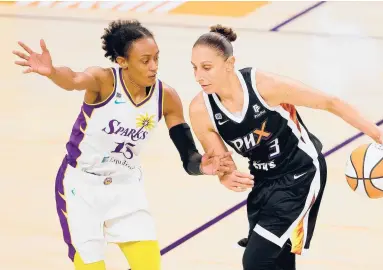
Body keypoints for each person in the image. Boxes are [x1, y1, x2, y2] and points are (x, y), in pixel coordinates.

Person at [12, 20, 235, 270]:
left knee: (149, 265)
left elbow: (189, 157)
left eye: (156, 58)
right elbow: (73, 79)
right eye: (145, 60)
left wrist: (204, 166)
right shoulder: (103, 81)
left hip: (126, 186)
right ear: (122, 61)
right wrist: (52, 71)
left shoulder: (167, 97)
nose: (153, 67)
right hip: (81, 187)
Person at [188, 24, 383, 270]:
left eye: (206, 68)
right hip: (263, 180)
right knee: (278, 260)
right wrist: (225, 177)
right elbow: (223, 164)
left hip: (300, 171)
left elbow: (329, 102)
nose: (198, 76)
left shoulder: (263, 85)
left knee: (256, 260)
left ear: (229, 63)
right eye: (194, 68)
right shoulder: (200, 110)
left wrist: (379, 135)